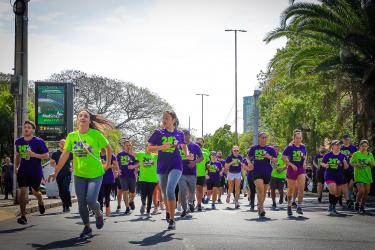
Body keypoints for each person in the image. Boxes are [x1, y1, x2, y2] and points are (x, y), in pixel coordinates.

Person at [49, 109, 113, 238]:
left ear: (89, 121)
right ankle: (87, 227)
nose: (83, 117)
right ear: (77, 119)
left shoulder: (95, 134)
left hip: (95, 174)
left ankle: (98, 213)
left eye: (86, 116)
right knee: (81, 202)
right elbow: (65, 155)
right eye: (80, 116)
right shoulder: (72, 136)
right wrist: (55, 172)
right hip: (79, 174)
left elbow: (108, 148)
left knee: (90, 200)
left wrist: (107, 164)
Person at [147, 110, 189, 230]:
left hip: (176, 165)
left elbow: (184, 146)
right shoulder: (158, 133)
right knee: (165, 193)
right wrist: (161, 147)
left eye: (167, 118)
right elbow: (149, 149)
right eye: (163, 118)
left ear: (173, 120)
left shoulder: (179, 134)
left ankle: (172, 219)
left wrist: (187, 154)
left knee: (170, 190)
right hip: (162, 167)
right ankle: (168, 211)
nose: (164, 120)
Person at [15, 120, 49, 225]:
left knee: (35, 192)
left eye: (29, 127)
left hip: (35, 171)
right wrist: (16, 167)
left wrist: (34, 155)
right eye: (25, 127)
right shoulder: (18, 141)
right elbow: (17, 155)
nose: (26, 129)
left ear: (33, 130)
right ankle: (23, 216)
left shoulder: (38, 141)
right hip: (23, 170)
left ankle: (40, 201)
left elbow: (46, 156)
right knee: (23, 191)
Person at [247, 133, 277, 217]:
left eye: (265, 137)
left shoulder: (270, 148)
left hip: (267, 172)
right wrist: (249, 163)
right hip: (256, 171)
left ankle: (259, 205)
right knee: (260, 190)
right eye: (262, 137)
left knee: (264, 192)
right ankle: (262, 208)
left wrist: (269, 157)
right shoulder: (254, 148)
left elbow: (275, 160)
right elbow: (248, 157)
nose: (264, 139)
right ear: (259, 138)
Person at [282, 129, 307, 216]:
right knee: (291, 190)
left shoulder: (303, 147)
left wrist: (304, 163)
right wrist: (291, 164)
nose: (298, 140)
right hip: (292, 170)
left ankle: (299, 206)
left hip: (300, 170)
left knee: (301, 187)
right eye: (297, 138)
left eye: (300, 138)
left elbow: (304, 156)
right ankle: (289, 205)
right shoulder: (289, 147)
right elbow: (283, 157)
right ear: (294, 138)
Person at [178, 129, 202, 217]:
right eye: (183, 134)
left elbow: (201, 157)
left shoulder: (195, 146)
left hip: (192, 173)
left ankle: (191, 202)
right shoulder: (178, 146)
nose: (185, 136)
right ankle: (184, 209)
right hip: (181, 173)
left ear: (189, 136)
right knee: (183, 191)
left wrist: (194, 162)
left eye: (187, 134)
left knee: (192, 191)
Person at [321, 140, 348, 215]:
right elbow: (322, 163)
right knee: (333, 190)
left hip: (339, 176)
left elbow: (346, 167)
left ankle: (333, 206)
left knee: (338, 193)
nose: (338, 146)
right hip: (329, 175)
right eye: (336, 145)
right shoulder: (327, 155)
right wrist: (325, 165)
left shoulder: (342, 155)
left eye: (339, 145)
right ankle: (331, 206)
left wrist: (344, 162)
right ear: (332, 146)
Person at [350, 140, 375, 214]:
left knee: (367, 192)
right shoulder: (356, 154)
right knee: (361, 191)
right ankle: (357, 203)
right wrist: (357, 164)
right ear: (360, 146)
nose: (364, 147)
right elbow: (351, 163)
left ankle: (362, 206)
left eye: (366, 146)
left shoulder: (369, 154)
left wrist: (370, 163)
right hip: (358, 175)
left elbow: (373, 165)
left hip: (367, 175)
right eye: (363, 146)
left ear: (368, 147)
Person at [117, 140, 139, 215]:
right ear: (124, 146)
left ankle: (131, 201)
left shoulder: (133, 155)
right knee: (125, 191)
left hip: (132, 176)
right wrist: (118, 170)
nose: (128, 146)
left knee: (133, 193)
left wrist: (134, 167)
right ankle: (127, 208)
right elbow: (116, 163)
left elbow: (138, 163)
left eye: (129, 145)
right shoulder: (120, 154)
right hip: (122, 176)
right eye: (127, 145)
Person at [50, 139, 73, 212]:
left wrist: (72, 168)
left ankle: (67, 205)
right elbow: (51, 162)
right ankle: (65, 204)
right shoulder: (55, 153)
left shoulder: (69, 153)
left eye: (64, 143)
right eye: (61, 143)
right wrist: (56, 167)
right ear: (59, 144)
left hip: (67, 173)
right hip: (58, 174)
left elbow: (74, 161)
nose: (63, 144)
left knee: (65, 188)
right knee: (61, 191)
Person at [136, 151, 159, 217]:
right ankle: (143, 204)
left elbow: (164, 158)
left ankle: (148, 211)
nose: (149, 148)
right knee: (143, 194)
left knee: (150, 195)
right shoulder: (141, 154)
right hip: (143, 178)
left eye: (151, 146)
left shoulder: (155, 156)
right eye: (148, 146)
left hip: (152, 179)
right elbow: (131, 154)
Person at [98, 150, 118, 216]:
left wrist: (108, 165)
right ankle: (100, 211)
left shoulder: (111, 155)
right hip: (98, 177)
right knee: (100, 195)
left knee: (107, 195)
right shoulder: (96, 154)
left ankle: (107, 207)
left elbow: (116, 167)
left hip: (108, 178)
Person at [340, 134, 357, 207]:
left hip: (352, 168)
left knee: (351, 185)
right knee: (344, 185)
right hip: (342, 169)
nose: (346, 140)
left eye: (348, 139)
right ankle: (345, 198)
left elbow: (357, 156)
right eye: (345, 139)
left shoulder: (353, 147)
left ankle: (349, 198)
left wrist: (352, 155)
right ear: (343, 140)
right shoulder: (340, 148)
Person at [195, 137, 209, 211]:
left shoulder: (206, 153)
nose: (199, 143)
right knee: (191, 190)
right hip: (192, 174)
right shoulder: (191, 151)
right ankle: (190, 203)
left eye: (201, 142)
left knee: (199, 189)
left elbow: (208, 164)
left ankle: (199, 204)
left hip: (201, 174)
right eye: (198, 142)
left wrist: (207, 172)